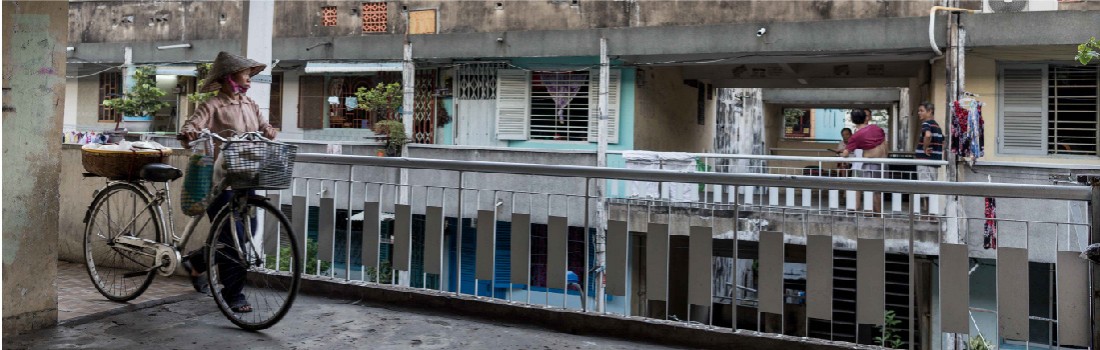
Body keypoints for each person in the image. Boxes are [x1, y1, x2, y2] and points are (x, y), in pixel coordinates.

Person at [179, 51, 277, 313]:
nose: (248, 79)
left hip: (245, 176)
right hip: (219, 181)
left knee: (246, 230)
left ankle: (196, 262)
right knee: (232, 239)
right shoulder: (212, 106)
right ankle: (234, 295)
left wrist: (269, 131)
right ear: (229, 78)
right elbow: (194, 123)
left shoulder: (251, 105)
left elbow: (265, 127)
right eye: (245, 74)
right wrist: (190, 130)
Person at [841, 109, 886, 214]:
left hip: (869, 163)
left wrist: (842, 154)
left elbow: (846, 153)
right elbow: (884, 143)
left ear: (852, 120)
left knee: (869, 190)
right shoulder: (876, 128)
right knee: (878, 191)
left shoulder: (856, 136)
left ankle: (869, 213)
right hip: (882, 162)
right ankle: (879, 215)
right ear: (866, 117)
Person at [914, 102, 943, 214]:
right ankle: (932, 213)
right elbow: (943, 141)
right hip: (934, 161)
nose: (919, 113)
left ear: (930, 111)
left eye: (921, 111)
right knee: (932, 186)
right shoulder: (937, 126)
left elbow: (927, 135)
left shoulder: (926, 124)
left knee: (924, 187)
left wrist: (925, 147)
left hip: (925, 162)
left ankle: (926, 213)